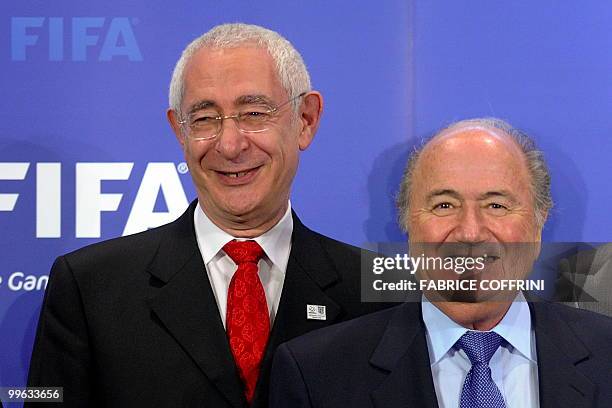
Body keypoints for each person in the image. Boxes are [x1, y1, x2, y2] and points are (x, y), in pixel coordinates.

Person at [26, 23, 390, 408]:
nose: (230, 145)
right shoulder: (89, 286)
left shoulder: (379, 289)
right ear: (178, 131)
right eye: (203, 119)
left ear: (305, 119)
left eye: (253, 113)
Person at [270, 118, 612, 408]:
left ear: (539, 222)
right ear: (407, 223)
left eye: (496, 205)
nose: (470, 232)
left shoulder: (605, 354)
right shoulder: (318, 374)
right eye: (444, 205)